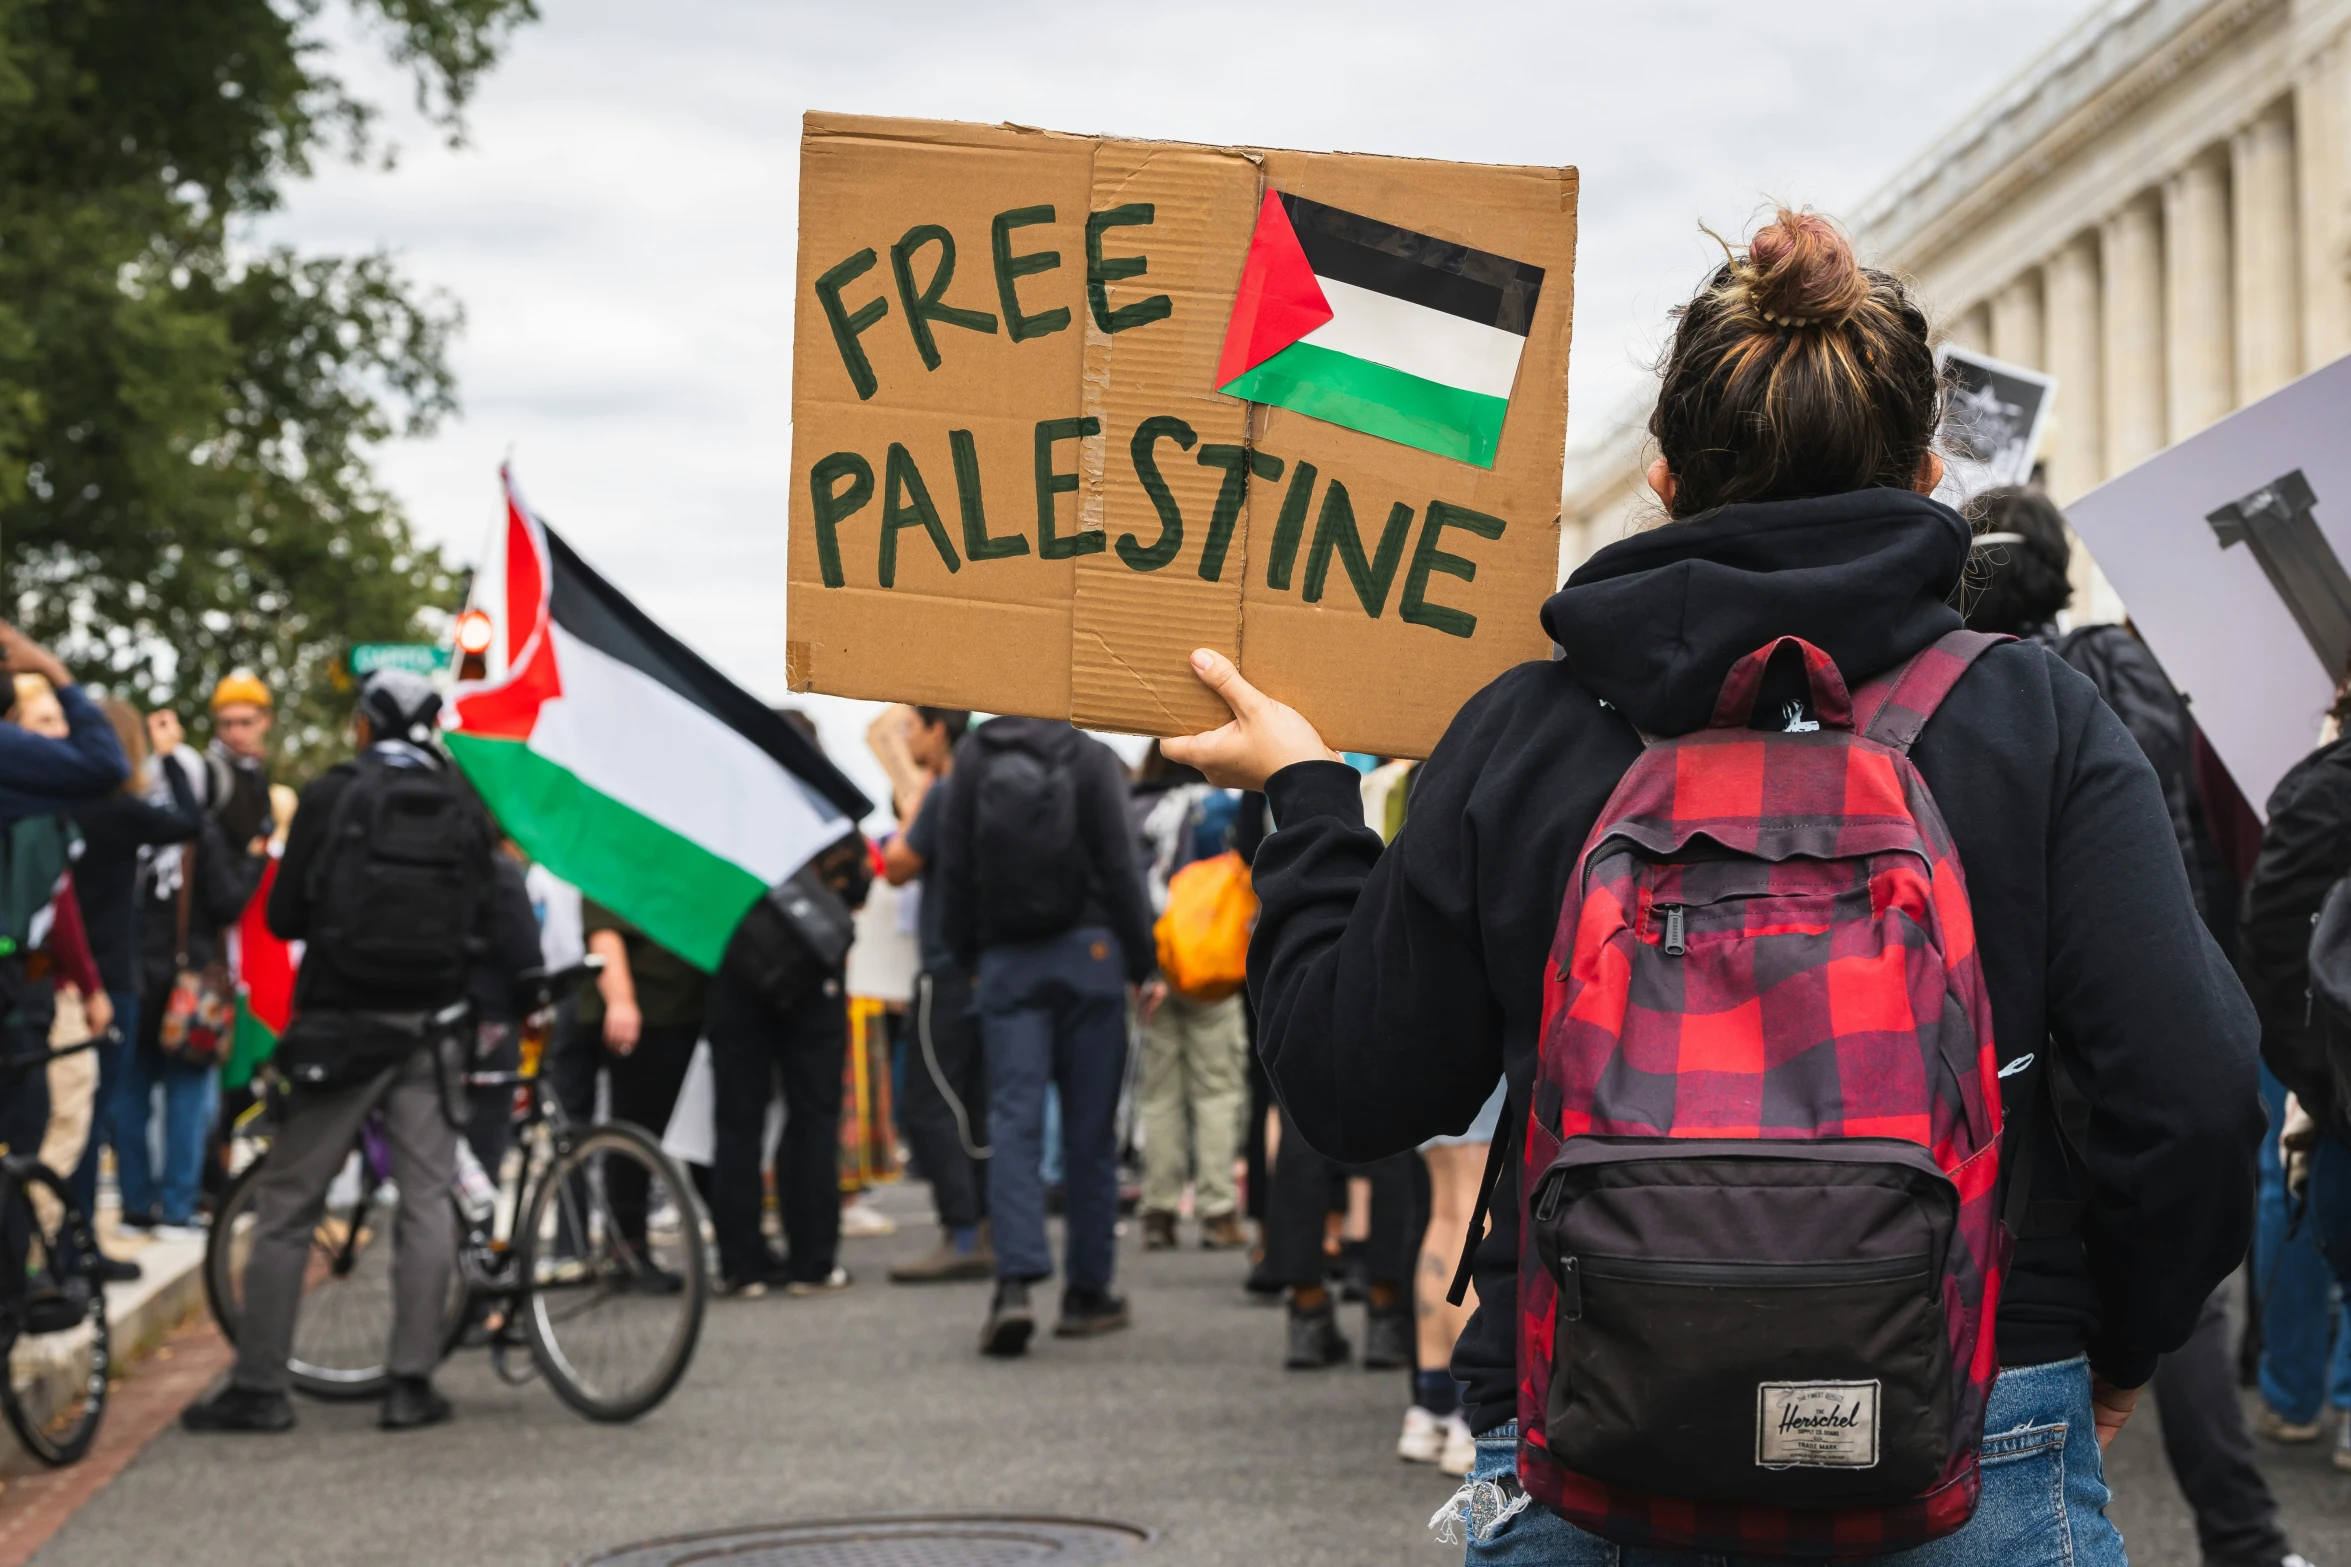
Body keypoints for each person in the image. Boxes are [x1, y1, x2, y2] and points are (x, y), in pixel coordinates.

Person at [1167, 210, 2261, 1564]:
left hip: (1586, 1428)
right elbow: (2195, 1091)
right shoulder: (2028, 716)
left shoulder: (1528, 731)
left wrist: (1308, 796)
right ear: (1927, 472)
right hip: (1975, 1405)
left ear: (1664, 480)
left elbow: (1347, 1082)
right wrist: (2111, 1341)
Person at [1968, 486, 2311, 1567]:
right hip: (2150, 1006)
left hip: (2012, 1048)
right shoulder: (2128, 683)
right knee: (2187, 1287)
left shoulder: (1976, 704)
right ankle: (2243, 1537)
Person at [182, 670, 520, 1435]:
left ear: (363, 724)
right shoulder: (463, 799)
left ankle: (262, 1387)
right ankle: (410, 1382)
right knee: (428, 1199)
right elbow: (487, 911)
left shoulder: (332, 793)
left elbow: (286, 910)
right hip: (433, 1024)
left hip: (339, 1025)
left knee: (288, 1201)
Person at [936, 716, 1156, 1357]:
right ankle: (1088, 1293)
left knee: (1014, 1125)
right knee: (1089, 1134)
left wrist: (967, 951)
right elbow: (1119, 864)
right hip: (1088, 955)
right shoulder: (1088, 756)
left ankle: (1013, 1286)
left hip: (1006, 962)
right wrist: (1143, 963)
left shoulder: (974, 756)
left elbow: (954, 866)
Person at [66, 697, 204, 1281]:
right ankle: (76, 1250)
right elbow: (189, 822)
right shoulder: (120, 810)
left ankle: (73, 1241)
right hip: (110, 978)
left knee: (81, 1113)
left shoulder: (60, 803)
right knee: (93, 1113)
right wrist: (172, 760)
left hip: (62, 972)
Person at [121, 705, 261, 1240]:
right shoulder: (197, 830)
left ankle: (138, 1207)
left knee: (132, 1089)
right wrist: (252, 859)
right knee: (185, 1092)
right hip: (188, 978)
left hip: (134, 974)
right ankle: (177, 1206)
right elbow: (225, 901)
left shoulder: (126, 816)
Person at [0, 624, 129, 1174]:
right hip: (23, 981)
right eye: (44, 722)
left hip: (29, 979)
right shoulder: (23, 776)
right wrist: (51, 667)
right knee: (32, 1132)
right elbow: (106, 763)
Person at [881, 705, 995, 1285]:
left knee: (928, 1105)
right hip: (985, 967)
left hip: (944, 969)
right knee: (974, 1103)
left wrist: (914, 802)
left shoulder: (944, 791)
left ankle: (963, 1231)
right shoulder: (985, 785)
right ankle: (987, 1226)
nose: (905, 739)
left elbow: (898, 866)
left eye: (911, 727)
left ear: (938, 730)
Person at [1128, 744, 1250, 1252]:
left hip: (1156, 969)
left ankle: (1158, 1209)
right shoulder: (1217, 807)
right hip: (1211, 969)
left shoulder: (1136, 808)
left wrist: (1141, 969)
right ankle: (1218, 1210)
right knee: (1216, 1090)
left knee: (1158, 1094)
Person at [572, 897, 705, 1275]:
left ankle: (739, 1248)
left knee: (692, 1134)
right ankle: (627, 1249)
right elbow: (603, 931)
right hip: (647, 1015)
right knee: (634, 1134)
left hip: (685, 1010)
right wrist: (622, 1001)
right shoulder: (619, 846)